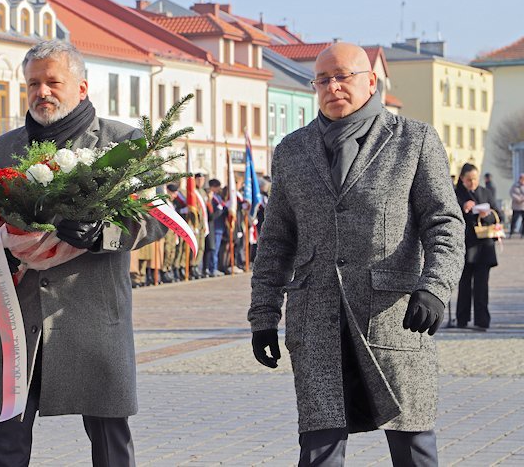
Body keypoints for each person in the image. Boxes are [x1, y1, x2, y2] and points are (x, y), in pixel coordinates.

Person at [248, 42, 465, 466]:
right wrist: (263, 316)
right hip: (317, 320)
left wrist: (435, 288)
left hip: (393, 317)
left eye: (343, 76)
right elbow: (276, 241)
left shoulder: (413, 140)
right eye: (323, 79)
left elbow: (444, 221)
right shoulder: (293, 150)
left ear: (370, 81)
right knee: (319, 448)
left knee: (413, 445)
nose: (333, 86)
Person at [0, 40, 166, 466]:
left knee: (109, 437)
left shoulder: (122, 141)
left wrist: (103, 233)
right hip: (21, 312)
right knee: (6, 433)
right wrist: (3, 249)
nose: (41, 92)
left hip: (93, 311)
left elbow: (156, 217)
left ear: (81, 87)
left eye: (52, 82)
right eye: (32, 84)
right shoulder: (4, 148)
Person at [455, 163, 499, 330]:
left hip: (484, 247)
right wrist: (462, 208)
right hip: (466, 246)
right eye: (469, 180)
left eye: (475, 179)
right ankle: (462, 319)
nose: (472, 183)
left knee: (482, 286)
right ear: (462, 179)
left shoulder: (485, 192)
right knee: (465, 285)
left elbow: (498, 215)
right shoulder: (456, 193)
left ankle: (482, 320)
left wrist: (485, 215)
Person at [205, 178, 228, 277]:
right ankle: (212, 268)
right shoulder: (211, 198)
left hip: (220, 226)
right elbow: (211, 215)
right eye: (217, 187)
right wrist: (220, 210)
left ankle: (214, 267)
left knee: (216, 249)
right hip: (214, 226)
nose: (219, 189)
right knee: (213, 249)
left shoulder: (218, 197)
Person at [510, 173, 524, 238]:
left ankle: (523, 233)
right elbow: (511, 193)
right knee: (514, 220)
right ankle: (511, 232)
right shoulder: (515, 185)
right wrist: (518, 198)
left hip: (523, 205)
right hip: (516, 206)